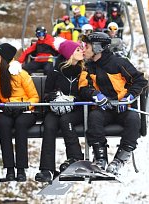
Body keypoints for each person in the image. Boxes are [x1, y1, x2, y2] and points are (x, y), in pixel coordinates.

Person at [79, 32, 148, 175]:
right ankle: (100, 158)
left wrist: (128, 97)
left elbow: (140, 81)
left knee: (134, 119)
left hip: (122, 108)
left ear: (97, 48)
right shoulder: (88, 67)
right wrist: (95, 95)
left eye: (87, 46)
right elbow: (83, 87)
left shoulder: (119, 63)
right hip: (104, 109)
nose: (84, 49)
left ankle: (119, 160)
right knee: (95, 117)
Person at [35, 38, 85, 182]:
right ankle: (47, 169)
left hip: (77, 109)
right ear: (69, 53)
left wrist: (73, 100)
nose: (81, 51)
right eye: (77, 49)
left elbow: (86, 91)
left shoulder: (83, 71)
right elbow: (47, 94)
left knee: (65, 120)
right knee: (49, 125)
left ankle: (75, 158)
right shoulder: (55, 72)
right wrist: (55, 98)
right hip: (57, 109)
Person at [0, 43, 39, 182]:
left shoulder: (21, 74)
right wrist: (1, 107)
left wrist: (23, 107)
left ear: (4, 58)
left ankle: (21, 168)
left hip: (25, 111)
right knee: (3, 124)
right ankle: (9, 169)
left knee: (20, 124)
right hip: (6, 110)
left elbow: (35, 97)